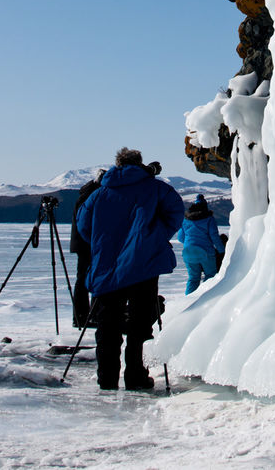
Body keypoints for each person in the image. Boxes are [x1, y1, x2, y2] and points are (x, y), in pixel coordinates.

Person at [77, 147, 184, 391]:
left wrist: (102, 242)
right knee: (140, 323)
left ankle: (107, 379)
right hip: (144, 265)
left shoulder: (99, 193)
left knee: (107, 326)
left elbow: (84, 225)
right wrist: (154, 237)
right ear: (139, 164)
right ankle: (136, 376)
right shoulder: (156, 188)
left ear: (118, 164)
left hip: (106, 265)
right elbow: (176, 212)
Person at [69, 168, 105, 328]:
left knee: (83, 278)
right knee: (87, 278)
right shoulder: (92, 196)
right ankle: (86, 315)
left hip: (82, 243)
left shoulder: (87, 193)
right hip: (88, 243)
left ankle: (82, 315)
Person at [178, 194, 226, 295]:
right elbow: (214, 237)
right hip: (205, 252)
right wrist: (222, 251)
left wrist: (190, 244)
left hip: (188, 252)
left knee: (193, 279)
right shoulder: (209, 219)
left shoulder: (185, 220)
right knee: (210, 276)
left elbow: (181, 237)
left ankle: (188, 302)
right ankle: (205, 300)